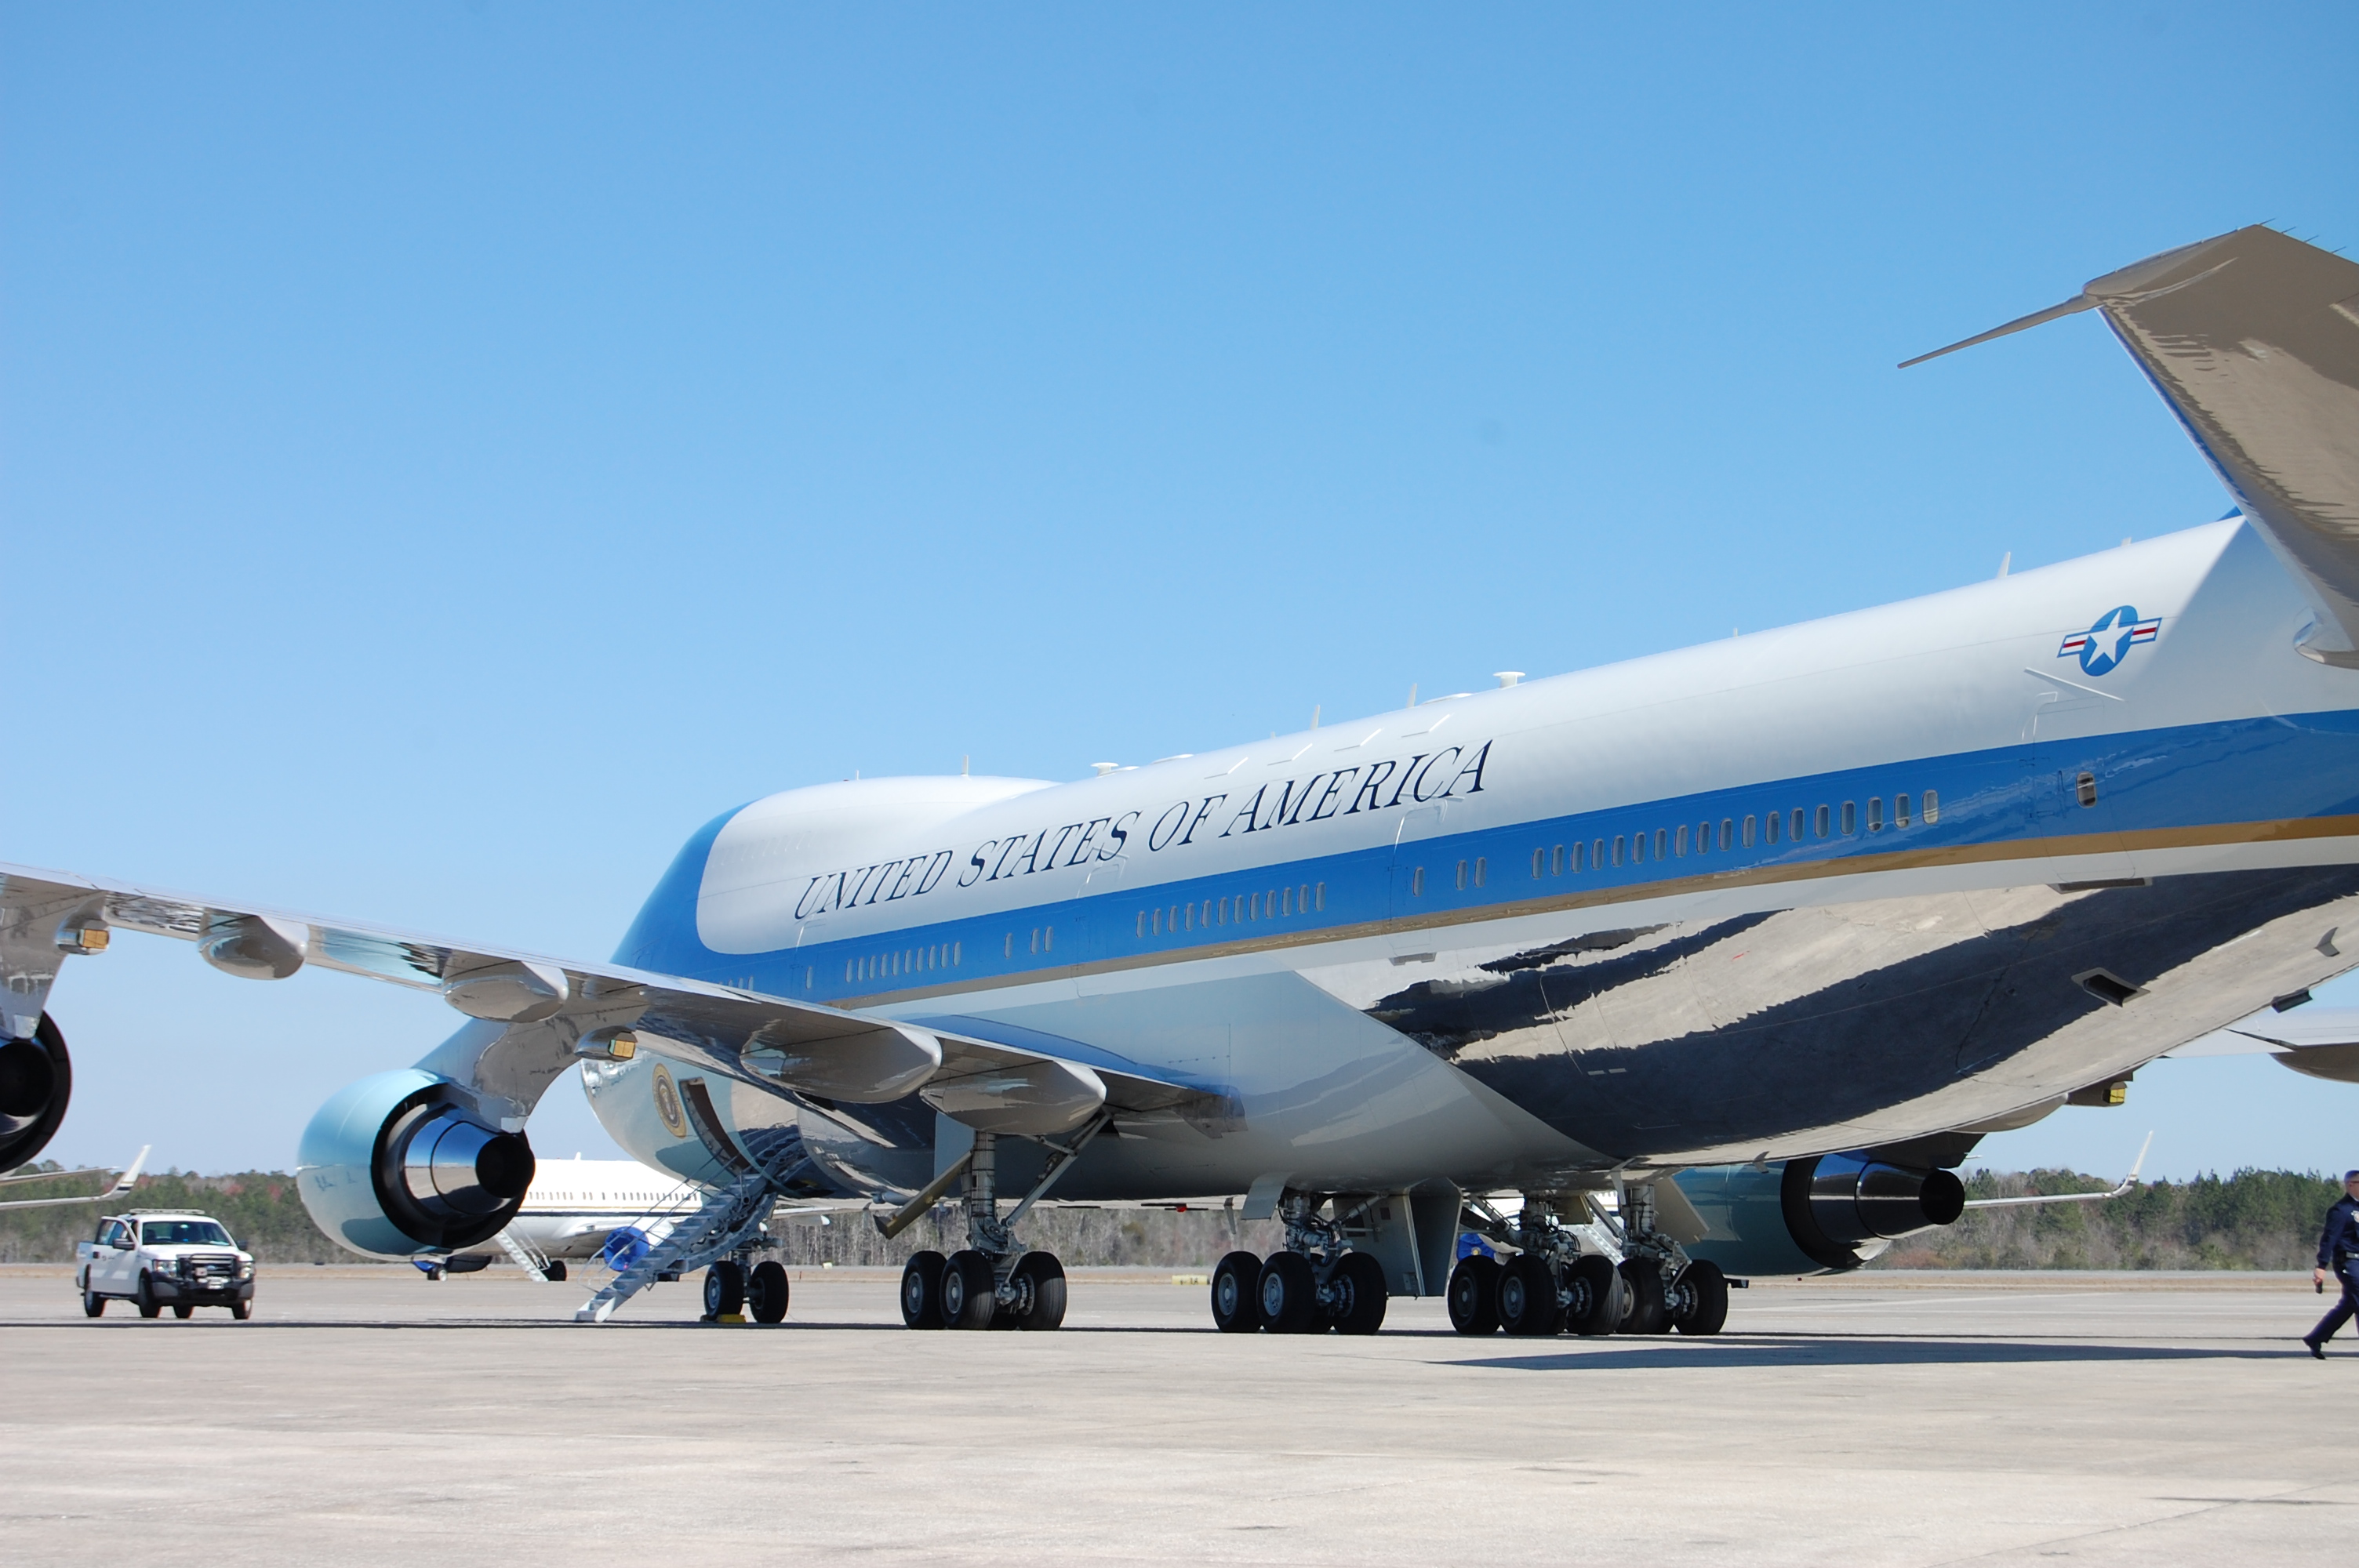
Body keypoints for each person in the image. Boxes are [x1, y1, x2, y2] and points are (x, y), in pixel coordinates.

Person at [2303, 1170, 2359, 1359]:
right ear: (2351, 1185)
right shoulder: (2341, 1210)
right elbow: (2329, 1239)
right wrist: (2321, 1265)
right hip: (2348, 1262)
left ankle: (2316, 1338)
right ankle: (2316, 1338)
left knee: (2350, 1304)